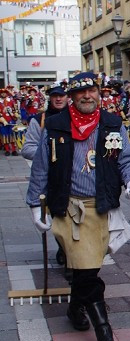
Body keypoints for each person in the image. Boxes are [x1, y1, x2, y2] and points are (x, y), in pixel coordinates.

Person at [26, 72, 130, 341]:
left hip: (99, 207)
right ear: (72, 97)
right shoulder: (54, 126)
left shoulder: (112, 124)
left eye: (91, 91)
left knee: (86, 268)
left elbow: (126, 158)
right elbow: (41, 167)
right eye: (80, 93)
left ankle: (74, 306)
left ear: (98, 94)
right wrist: (34, 204)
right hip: (68, 207)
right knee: (88, 270)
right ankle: (104, 332)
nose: (87, 96)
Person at [21, 82, 70, 268]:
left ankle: (70, 255)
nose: (58, 98)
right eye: (55, 95)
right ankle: (64, 251)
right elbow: (27, 149)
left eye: (62, 95)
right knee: (58, 217)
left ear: (68, 97)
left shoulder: (76, 117)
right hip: (50, 179)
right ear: (50, 97)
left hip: (73, 178)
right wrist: (48, 154)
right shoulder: (39, 119)